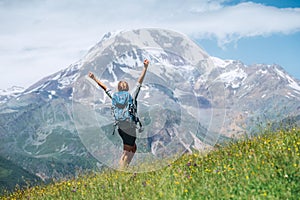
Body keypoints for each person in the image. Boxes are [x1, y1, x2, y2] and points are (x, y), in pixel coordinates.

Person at [88, 59, 150, 169]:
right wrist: (145, 68)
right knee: (127, 150)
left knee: (132, 147)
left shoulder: (114, 96)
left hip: (120, 126)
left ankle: (125, 168)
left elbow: (104, 87)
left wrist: (94, 78)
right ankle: (122, 170)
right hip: (130, 125)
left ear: (118, 88)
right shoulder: (131, 95)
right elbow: (139, 82)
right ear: (127, 88)